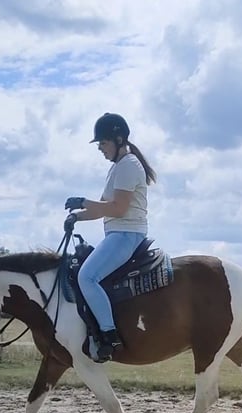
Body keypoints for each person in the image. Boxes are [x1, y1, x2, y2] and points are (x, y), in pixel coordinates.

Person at [64, 113, 157, 362]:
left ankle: (109, 333)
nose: (101, 149)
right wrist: (78, 216)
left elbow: (118, 209)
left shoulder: (128, 166)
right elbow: (104, 207)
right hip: (118, 232)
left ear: (118, 139)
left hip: (126, 234)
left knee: (87, 276)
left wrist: (83, 201)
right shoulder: (118, 167)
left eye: (103, 144)